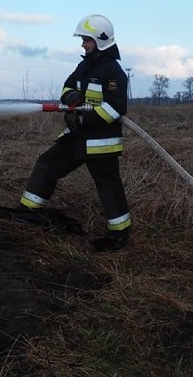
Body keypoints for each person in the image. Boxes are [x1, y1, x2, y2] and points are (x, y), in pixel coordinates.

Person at [19, 14, 132, 252]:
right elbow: (68, 86)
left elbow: (116, 108)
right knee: (47, 164)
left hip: (101, 143)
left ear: (100, 40)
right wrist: (70, 97)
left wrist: (83, 118)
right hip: (77, 137)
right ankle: (27, 213)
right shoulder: (84, 65)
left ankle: (119, 234)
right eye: (82, 40)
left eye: (86, 40)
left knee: (107, 185)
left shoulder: (113, 71)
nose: (83, 44)